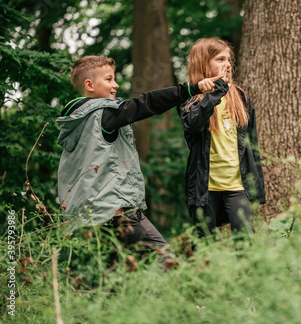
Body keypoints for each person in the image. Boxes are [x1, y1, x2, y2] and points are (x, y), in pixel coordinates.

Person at [57, 55, 223, 257]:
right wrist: (190, 89)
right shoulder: (104, 116)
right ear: (89, 85)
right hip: (116, 213)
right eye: (109, 79)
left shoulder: (76, 126)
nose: (116, 85)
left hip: (89, 219)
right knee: (165, 261)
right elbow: (145, 103)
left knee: (115, 277)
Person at [177, 38, 266, 241]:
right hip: (204, 188)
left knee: (245, 242)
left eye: (228, 59)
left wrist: (257, 188)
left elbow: (253, 145)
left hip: (237, 186)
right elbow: (193, 124)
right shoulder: (189, 98)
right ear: (203, 63)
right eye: (219, 59)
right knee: (204, 245)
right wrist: (215, 92)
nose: (227, 64)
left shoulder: (240, 98)